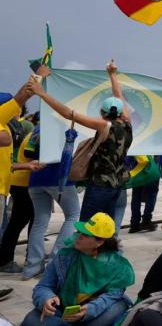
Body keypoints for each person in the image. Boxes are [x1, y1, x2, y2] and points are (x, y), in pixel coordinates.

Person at [32, 61, 133, 223]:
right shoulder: (127, 123)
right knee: (106, 229)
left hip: (100, 185)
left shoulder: (104, 125)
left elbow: (69, 114)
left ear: (102, 112)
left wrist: (43, 94)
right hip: (117, 185)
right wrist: (113, 75)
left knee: (87, 227)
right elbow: (119, 98)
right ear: (121, 112)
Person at [21, 213, 134, 326]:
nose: (79, 236)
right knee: (31, 320)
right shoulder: (65, 256)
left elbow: (112, 296)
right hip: (63, 310)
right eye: (80, 232)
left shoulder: (118, 266)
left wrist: (90, 309)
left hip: (93, 313)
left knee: (117, 308)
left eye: (86, 235)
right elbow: (43, 286)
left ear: (99, 242)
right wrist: (46, 298)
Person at [23, 125, 81, 280]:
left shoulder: (37, 129)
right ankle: (55, 263)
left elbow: (27, 153)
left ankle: (32, 266)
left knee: (39, 222)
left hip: (35, 179)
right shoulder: (67, 128)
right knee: (73, 215)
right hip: (59, 178)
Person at [0, 106, 45, 273]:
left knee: (17, 222)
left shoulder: (30, 131)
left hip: (18, 182)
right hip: (25, 183)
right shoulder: (37, 132)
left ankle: (7, 259)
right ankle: (32, 258)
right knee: (34, 221)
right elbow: (29, 153)